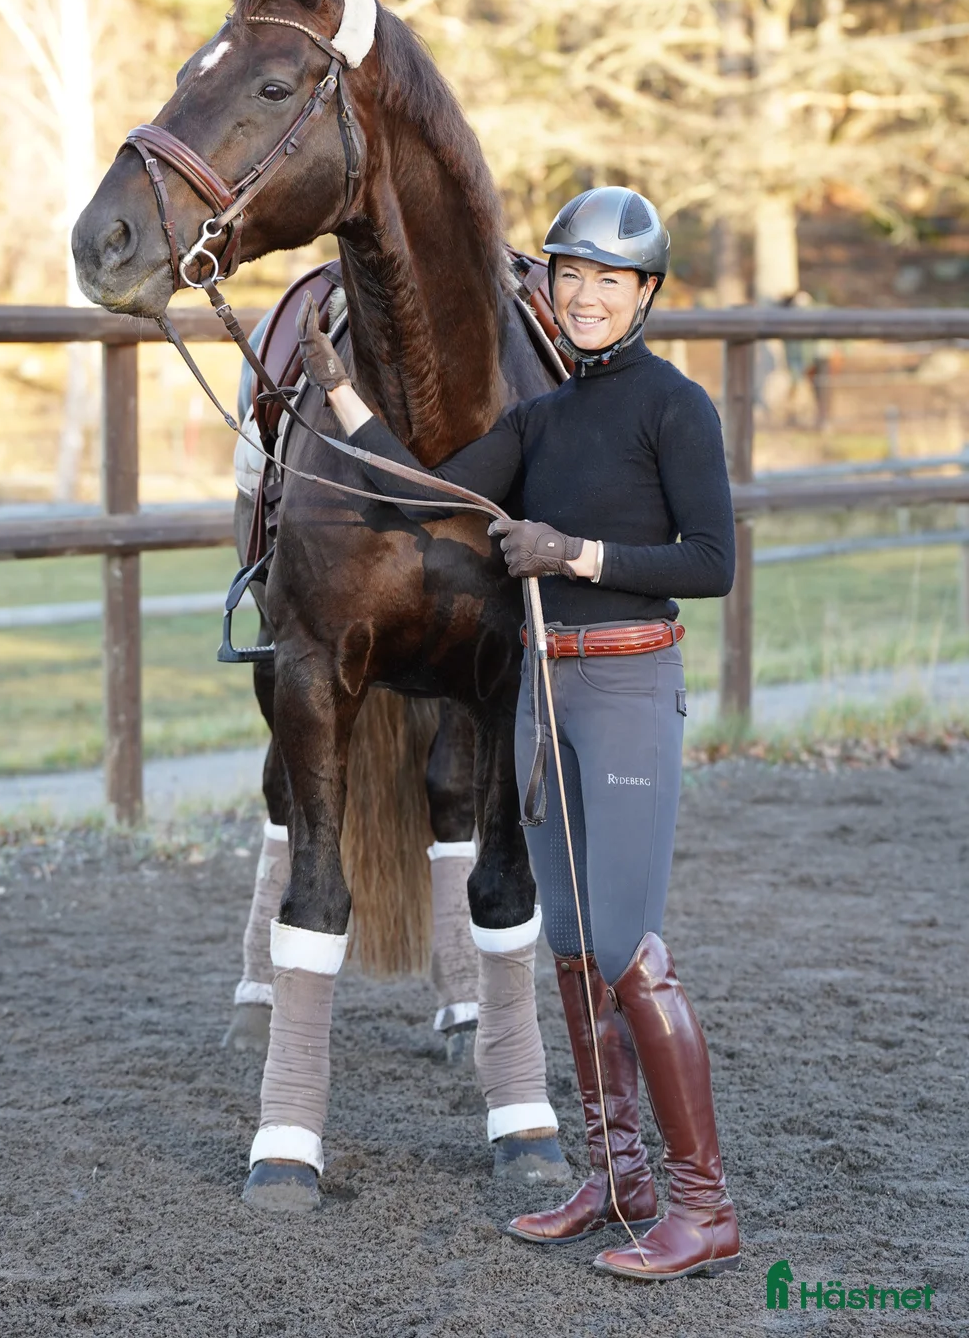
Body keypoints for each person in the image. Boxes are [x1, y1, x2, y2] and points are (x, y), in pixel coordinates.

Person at [296, 186, 740, 1281]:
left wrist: (577, 555)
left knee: (632, 950)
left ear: (644, 295)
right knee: (575, 949)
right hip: (546, 694)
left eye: (609, 281)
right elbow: (430, 498)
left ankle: (703, 1204)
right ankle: (617, 1179)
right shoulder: (539, 422)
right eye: (568, 276)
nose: (584, 297)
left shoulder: (675, 408)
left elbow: (712, 563)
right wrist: (344, 399)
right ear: (545, 285)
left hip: (629, 690)